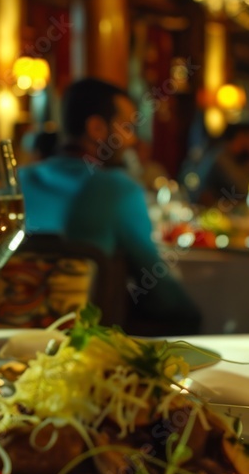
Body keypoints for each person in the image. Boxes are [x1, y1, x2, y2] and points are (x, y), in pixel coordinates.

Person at [18, 78, 202, 334]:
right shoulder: (119, 189)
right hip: (83, 345)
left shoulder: (16, 182)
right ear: (96, 128)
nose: (132, 140)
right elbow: (161, 293)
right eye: (127, 127)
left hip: (5, 335)